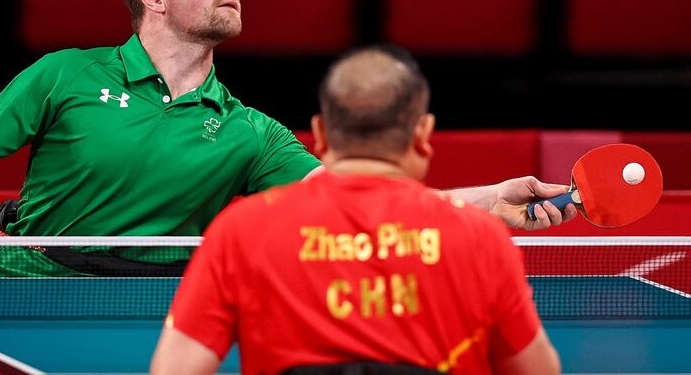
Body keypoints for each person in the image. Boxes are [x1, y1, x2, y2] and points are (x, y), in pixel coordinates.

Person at [0, 0, 573, 277]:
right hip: (29, 289)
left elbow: (362, 204)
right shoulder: (65, 73)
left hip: (151, 308)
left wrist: (491, 200)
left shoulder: (249, 132)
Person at [150, 46, 561, 375]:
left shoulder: (240, 232)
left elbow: (173, 369)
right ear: (423, 134)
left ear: (321, 134)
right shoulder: (482, 239)